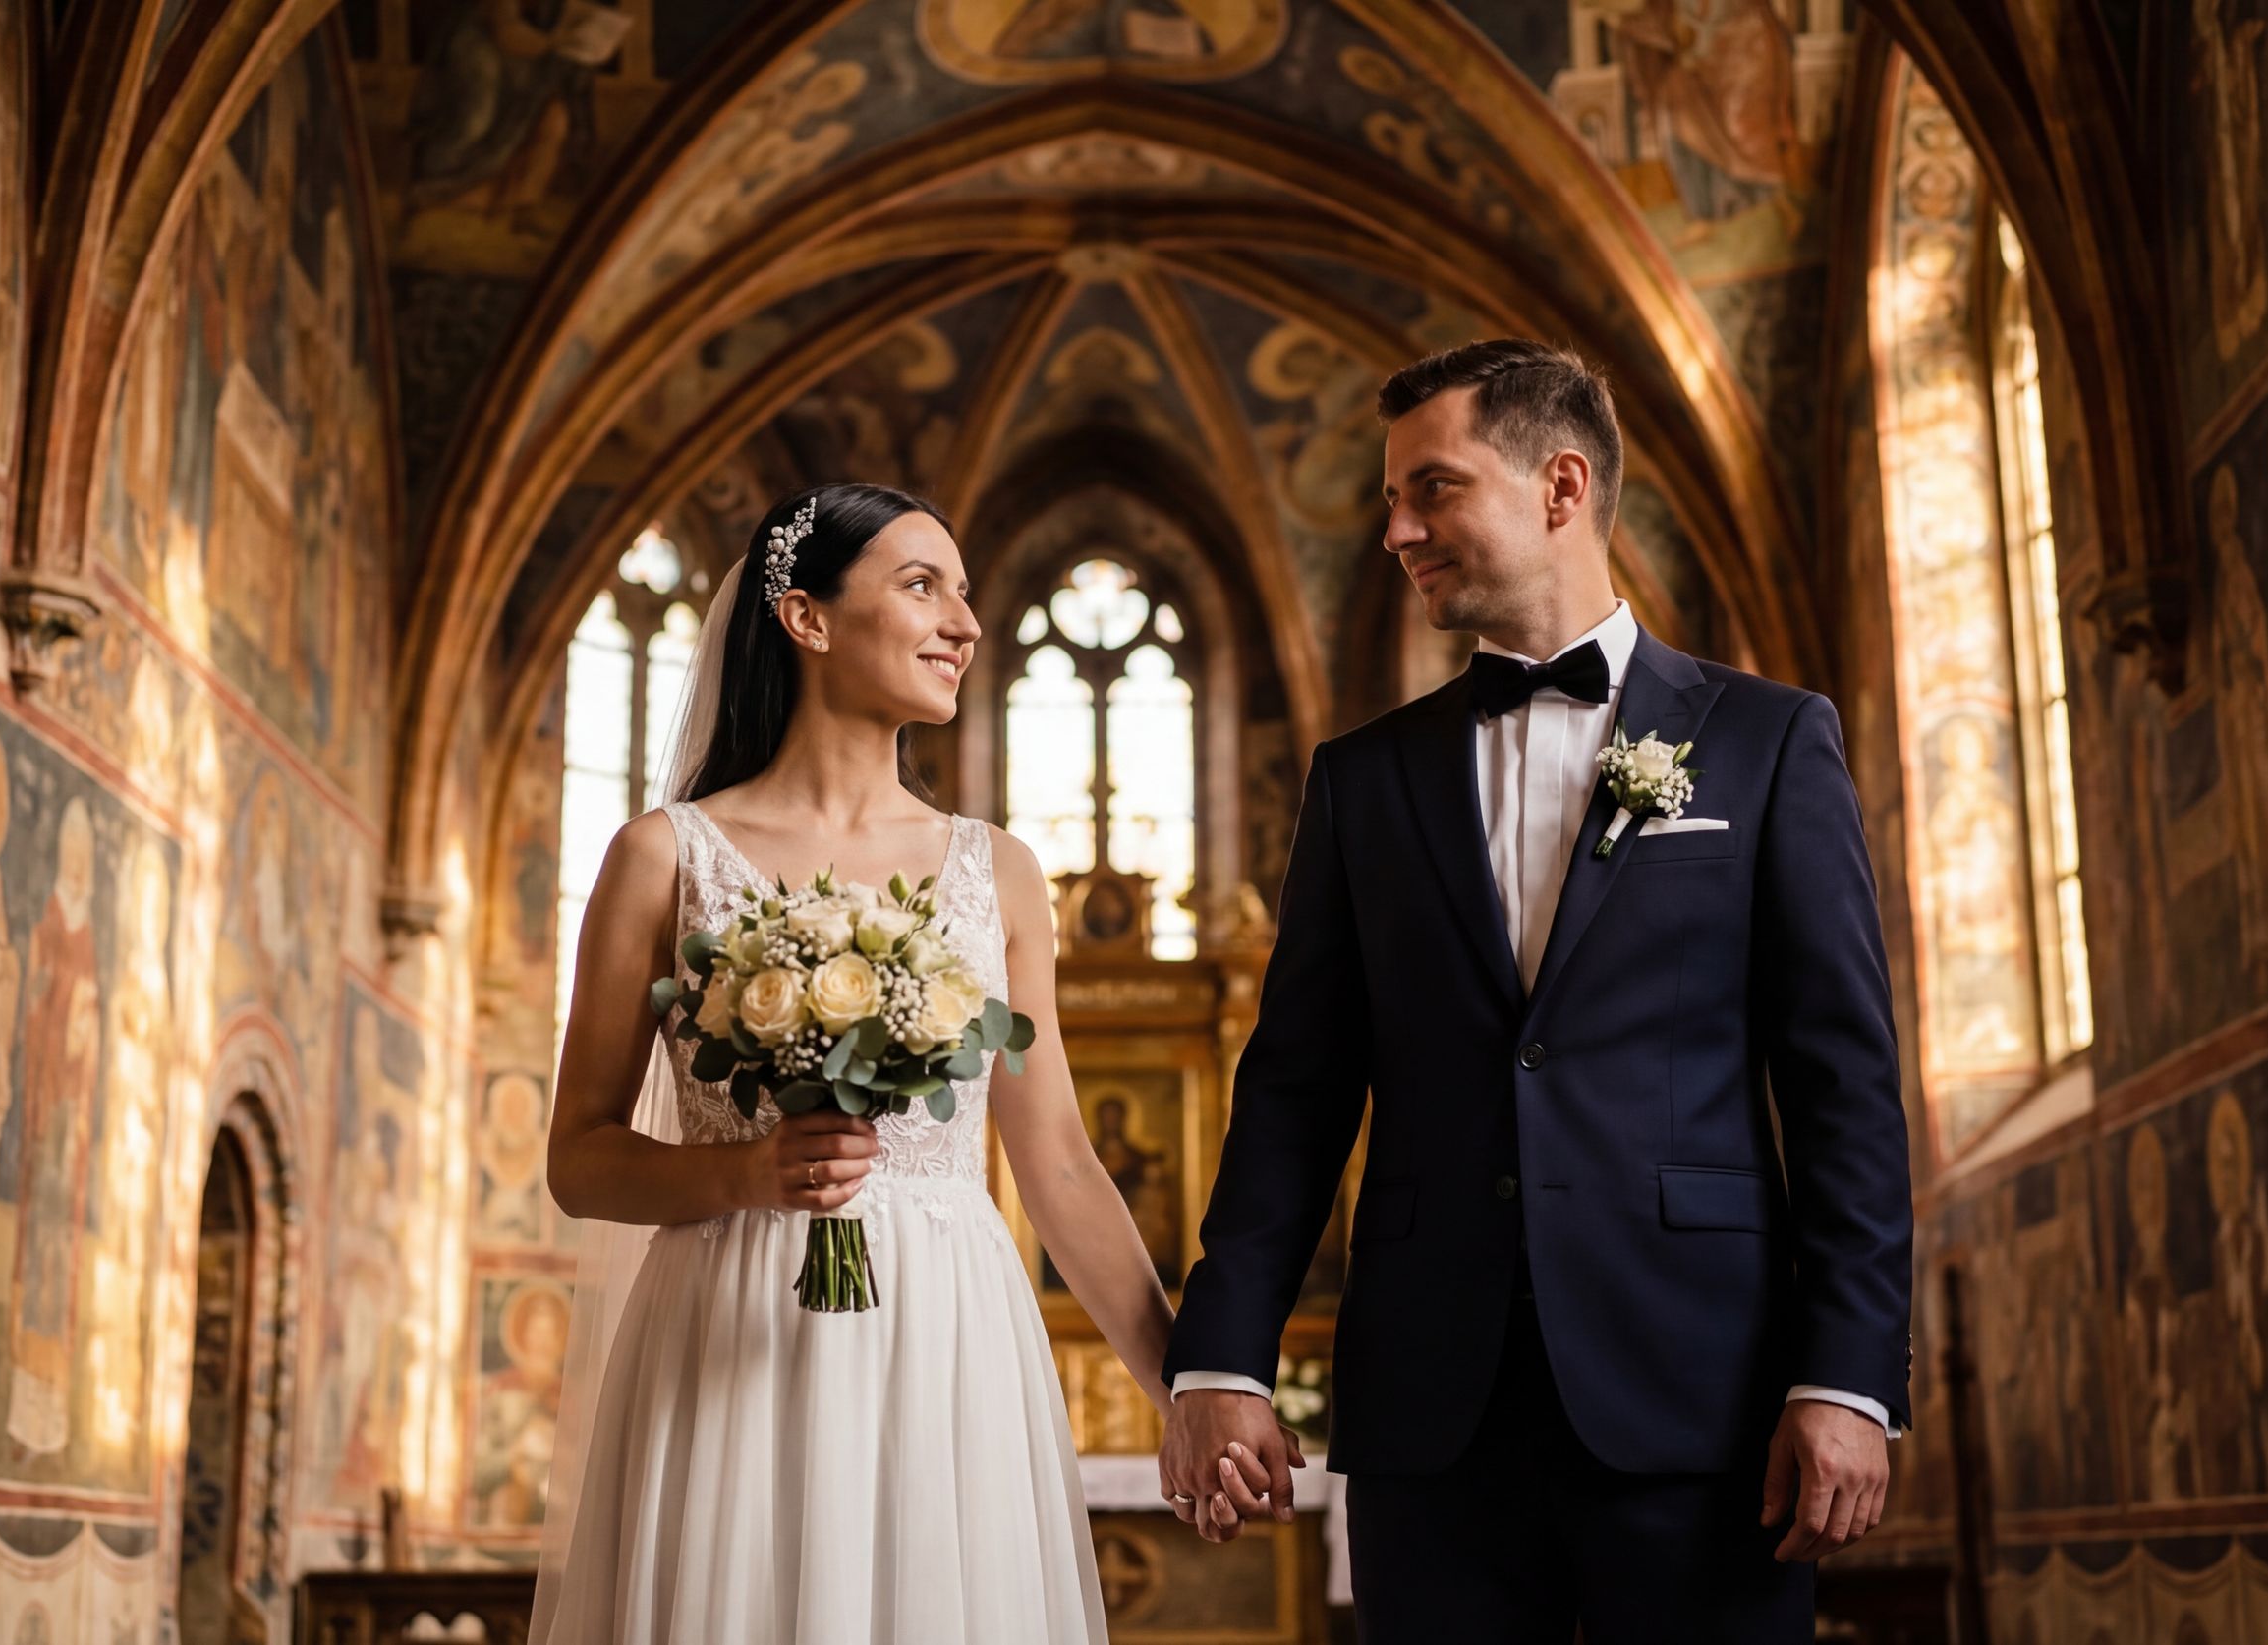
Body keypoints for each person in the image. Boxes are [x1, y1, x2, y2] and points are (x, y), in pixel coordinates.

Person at [1160, 340, 1914, 1641]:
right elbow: (1294, 1091)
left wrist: (1848, 1376)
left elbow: (1843, 1087)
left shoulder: (1767, 739)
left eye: (1432, 490)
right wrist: (1223, 1355)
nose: (1396, 529)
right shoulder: (1363, 781)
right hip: (1430, 1417)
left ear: (1560, 486)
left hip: (1702, 1396)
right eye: (1393, 498)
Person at [534, 483, 1196, 1644]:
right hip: (731, 1323)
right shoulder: (661, 856)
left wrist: (1182, 1390)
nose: (966, 624)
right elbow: (581, 1163)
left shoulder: (1002, 872)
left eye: (967, 594)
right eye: (922, 586)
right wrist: (747, 1176)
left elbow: (1061, 1169)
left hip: (945, 1333)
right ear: (808, 617)